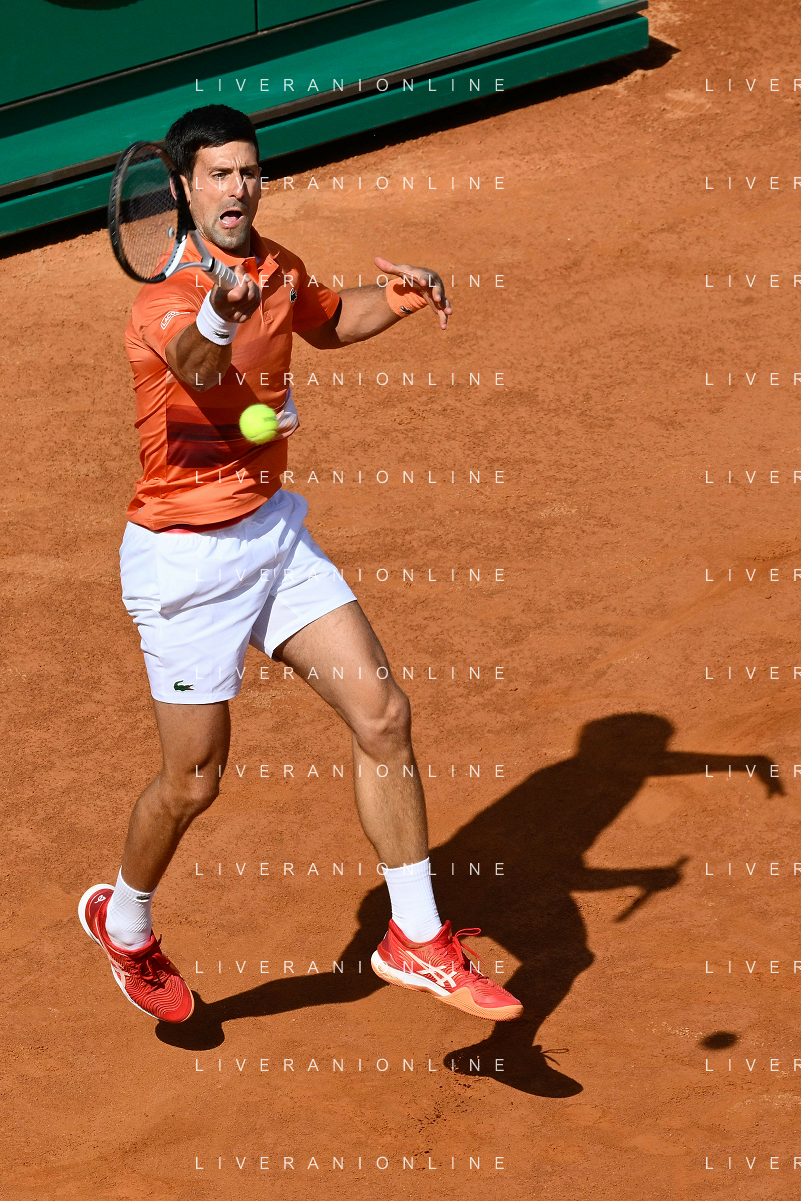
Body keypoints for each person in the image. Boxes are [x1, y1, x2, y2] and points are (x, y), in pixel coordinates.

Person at [78, 104, 522, 1027]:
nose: (239, 188)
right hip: (185, 563)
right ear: (183, 188)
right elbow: (198, 366)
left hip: (273, 536)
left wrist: (400, 298)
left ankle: (415, 935)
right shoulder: (162, 299)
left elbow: (328, 318)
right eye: (219, 174)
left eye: (249, 171)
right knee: (194, 780)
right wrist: (219, 308)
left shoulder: (276, 265)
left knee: (383, 714)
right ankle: (125, 924)